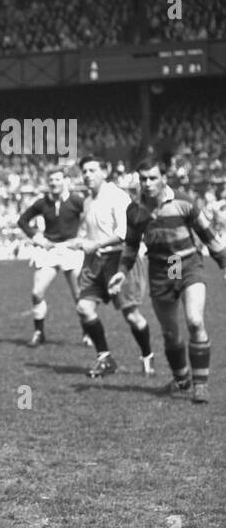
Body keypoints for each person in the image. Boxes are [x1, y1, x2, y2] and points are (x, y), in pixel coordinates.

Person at [108, 156, 226, 402]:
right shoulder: (136, 210)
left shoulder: (183, 201)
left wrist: (224, 264)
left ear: (163, 178)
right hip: (163, 269)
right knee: (171, 333)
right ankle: (182, 380)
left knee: (194, 321)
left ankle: (200, 384)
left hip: (187, 264)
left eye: (153, 178)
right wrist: (121, 272)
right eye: (143, 179)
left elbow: (208, 235)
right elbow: (130, 246)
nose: (148, 183)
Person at [65, 155, 155, 378]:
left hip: (119, 260)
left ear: (105, 171)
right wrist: (81, 241)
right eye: (84, 171)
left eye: (92, 170)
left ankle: (147, 356)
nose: (87, 175)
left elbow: (126, 233)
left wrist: (96, 243)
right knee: (84, 308)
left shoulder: (117, 196)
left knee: (131, 315)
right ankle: (105, 359)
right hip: (95, 261)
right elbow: (91, 233)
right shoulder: (87, 200)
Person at [16, 167, 87, 346]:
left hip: (71, 250)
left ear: (65, 181)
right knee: (36, 292)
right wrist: (36, 237)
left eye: (57, 179)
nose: (54, 183)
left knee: (79, 295)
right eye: (51, 181)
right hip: (50, 249)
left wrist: (82, 238)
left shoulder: (77, 201)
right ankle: (39, 333)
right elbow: (22, 221)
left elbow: (90, 217)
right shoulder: (42, 203)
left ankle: (88, 333)